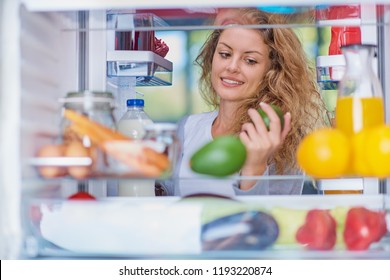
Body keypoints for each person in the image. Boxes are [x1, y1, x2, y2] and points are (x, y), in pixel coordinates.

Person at [159, 8, 326, 196]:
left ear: (272, 72)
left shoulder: (279, 144)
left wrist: (255, 167)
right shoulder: (187, 127)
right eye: (225, 54)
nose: (232, 67)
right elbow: (166, 197)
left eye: (250, 60)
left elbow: (270, 220)